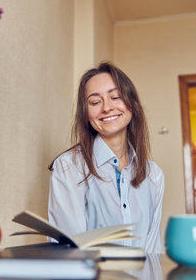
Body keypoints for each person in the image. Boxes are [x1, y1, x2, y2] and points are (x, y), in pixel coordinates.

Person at [48, 62, 164, 253]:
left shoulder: (154, 175)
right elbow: (68, 250)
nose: (107, 108)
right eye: (95, 102)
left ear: (132, 104)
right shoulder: (69, 167)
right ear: (85, 114)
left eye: (115, 97)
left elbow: (152, 250)